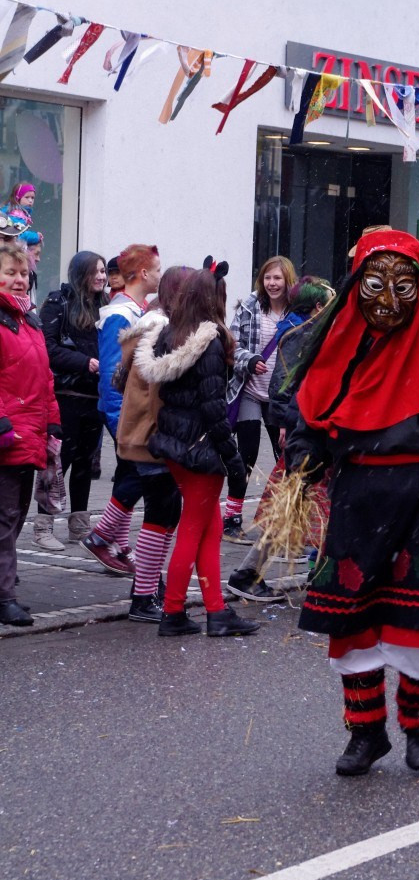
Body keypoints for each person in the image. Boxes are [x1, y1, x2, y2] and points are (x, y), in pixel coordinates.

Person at [285, 229, 419, 776]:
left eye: (403, 287)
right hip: (357, 498)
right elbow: (313, 418)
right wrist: (303, 457)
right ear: (357, 286)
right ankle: (365, 734)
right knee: (352, 626)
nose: (388, 300)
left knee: (416, 627)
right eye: (376, 285)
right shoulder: (340, 349)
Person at [135, 258, 260, 638]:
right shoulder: (208, 343)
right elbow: (213, 410)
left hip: (175, 445)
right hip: (200, 450)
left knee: (210, 527)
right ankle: (173, 612)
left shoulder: (169, 335)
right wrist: (233, 459)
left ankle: (216, 612)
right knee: (193, 529)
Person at [227, 276, 335, 603]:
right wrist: (290, 424)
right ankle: (318, 583)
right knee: (305, 510)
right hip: (312, 437)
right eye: (330, 302)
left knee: (299, 510)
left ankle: (254, 575)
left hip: (314, 435)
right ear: (318, 307)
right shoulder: (304, 336)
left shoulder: (312, 334)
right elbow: (286, 387)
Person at [115, 267, 191, 621]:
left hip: (146, 435)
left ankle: (148, 588)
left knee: (164, 514)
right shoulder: (161, 332)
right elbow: (157, 393)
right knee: (160, 516)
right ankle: (143, 596)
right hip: (153, 438)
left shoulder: (150, 327)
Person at [82, 244, 162, 576]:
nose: (160, 274)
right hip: (125, 414)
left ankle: (114, 539)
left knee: (131, 478)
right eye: (156, 269)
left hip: (130, 413)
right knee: (136, 477)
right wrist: (120, 424)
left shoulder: (135, 309)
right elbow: (114, 377)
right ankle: (101, 537)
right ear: (143, 274)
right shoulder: (120, 313)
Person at [0, 237, 61, 627]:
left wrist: (53, 421)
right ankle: (4, 596)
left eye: (23, 273)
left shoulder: (29, 321)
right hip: (7, 435)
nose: (19, 279)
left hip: (29, 435)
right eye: (10, 273)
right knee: (5, 519)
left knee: (15, 516)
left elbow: (45, 380)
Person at [35, 252, 108, 552]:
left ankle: (79, 525)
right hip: (65, 397)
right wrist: (85, 362)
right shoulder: (58, 302)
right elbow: (46, 348)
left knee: (84, 463)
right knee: (58, 462)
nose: (102, 277)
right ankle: (43, 526)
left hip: (95, 397)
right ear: (81, 274)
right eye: (96, 272)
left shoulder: (105, 306)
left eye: (104, 271)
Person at [224, 255, 298, 544]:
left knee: (285, 460)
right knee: (247, 455)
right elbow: (232, 343)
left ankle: (284, 521)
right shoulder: (249, 307)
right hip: (250, 392)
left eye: (277, 278)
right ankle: (232, 518)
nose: (272, 283)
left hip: (281, 398)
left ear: (287, 280)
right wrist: (250, 359)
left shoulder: (296, 311)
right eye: (268, 278)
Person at [1, 184, 44, 307]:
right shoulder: (17, 213)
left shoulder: (17, 212)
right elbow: (21, 233)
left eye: (32, 198)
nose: (30, 201)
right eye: (27, 197)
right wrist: (36, 236)